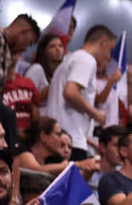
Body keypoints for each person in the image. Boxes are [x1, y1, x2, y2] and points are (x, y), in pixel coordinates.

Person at [43, 25, 118, 155]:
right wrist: (96, 114)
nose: (109, 56)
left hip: (59, 138)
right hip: (71, 142)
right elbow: (70, 93)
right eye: (110, 49)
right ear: (103, 42)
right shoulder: (86, 60)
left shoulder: (69, 60)